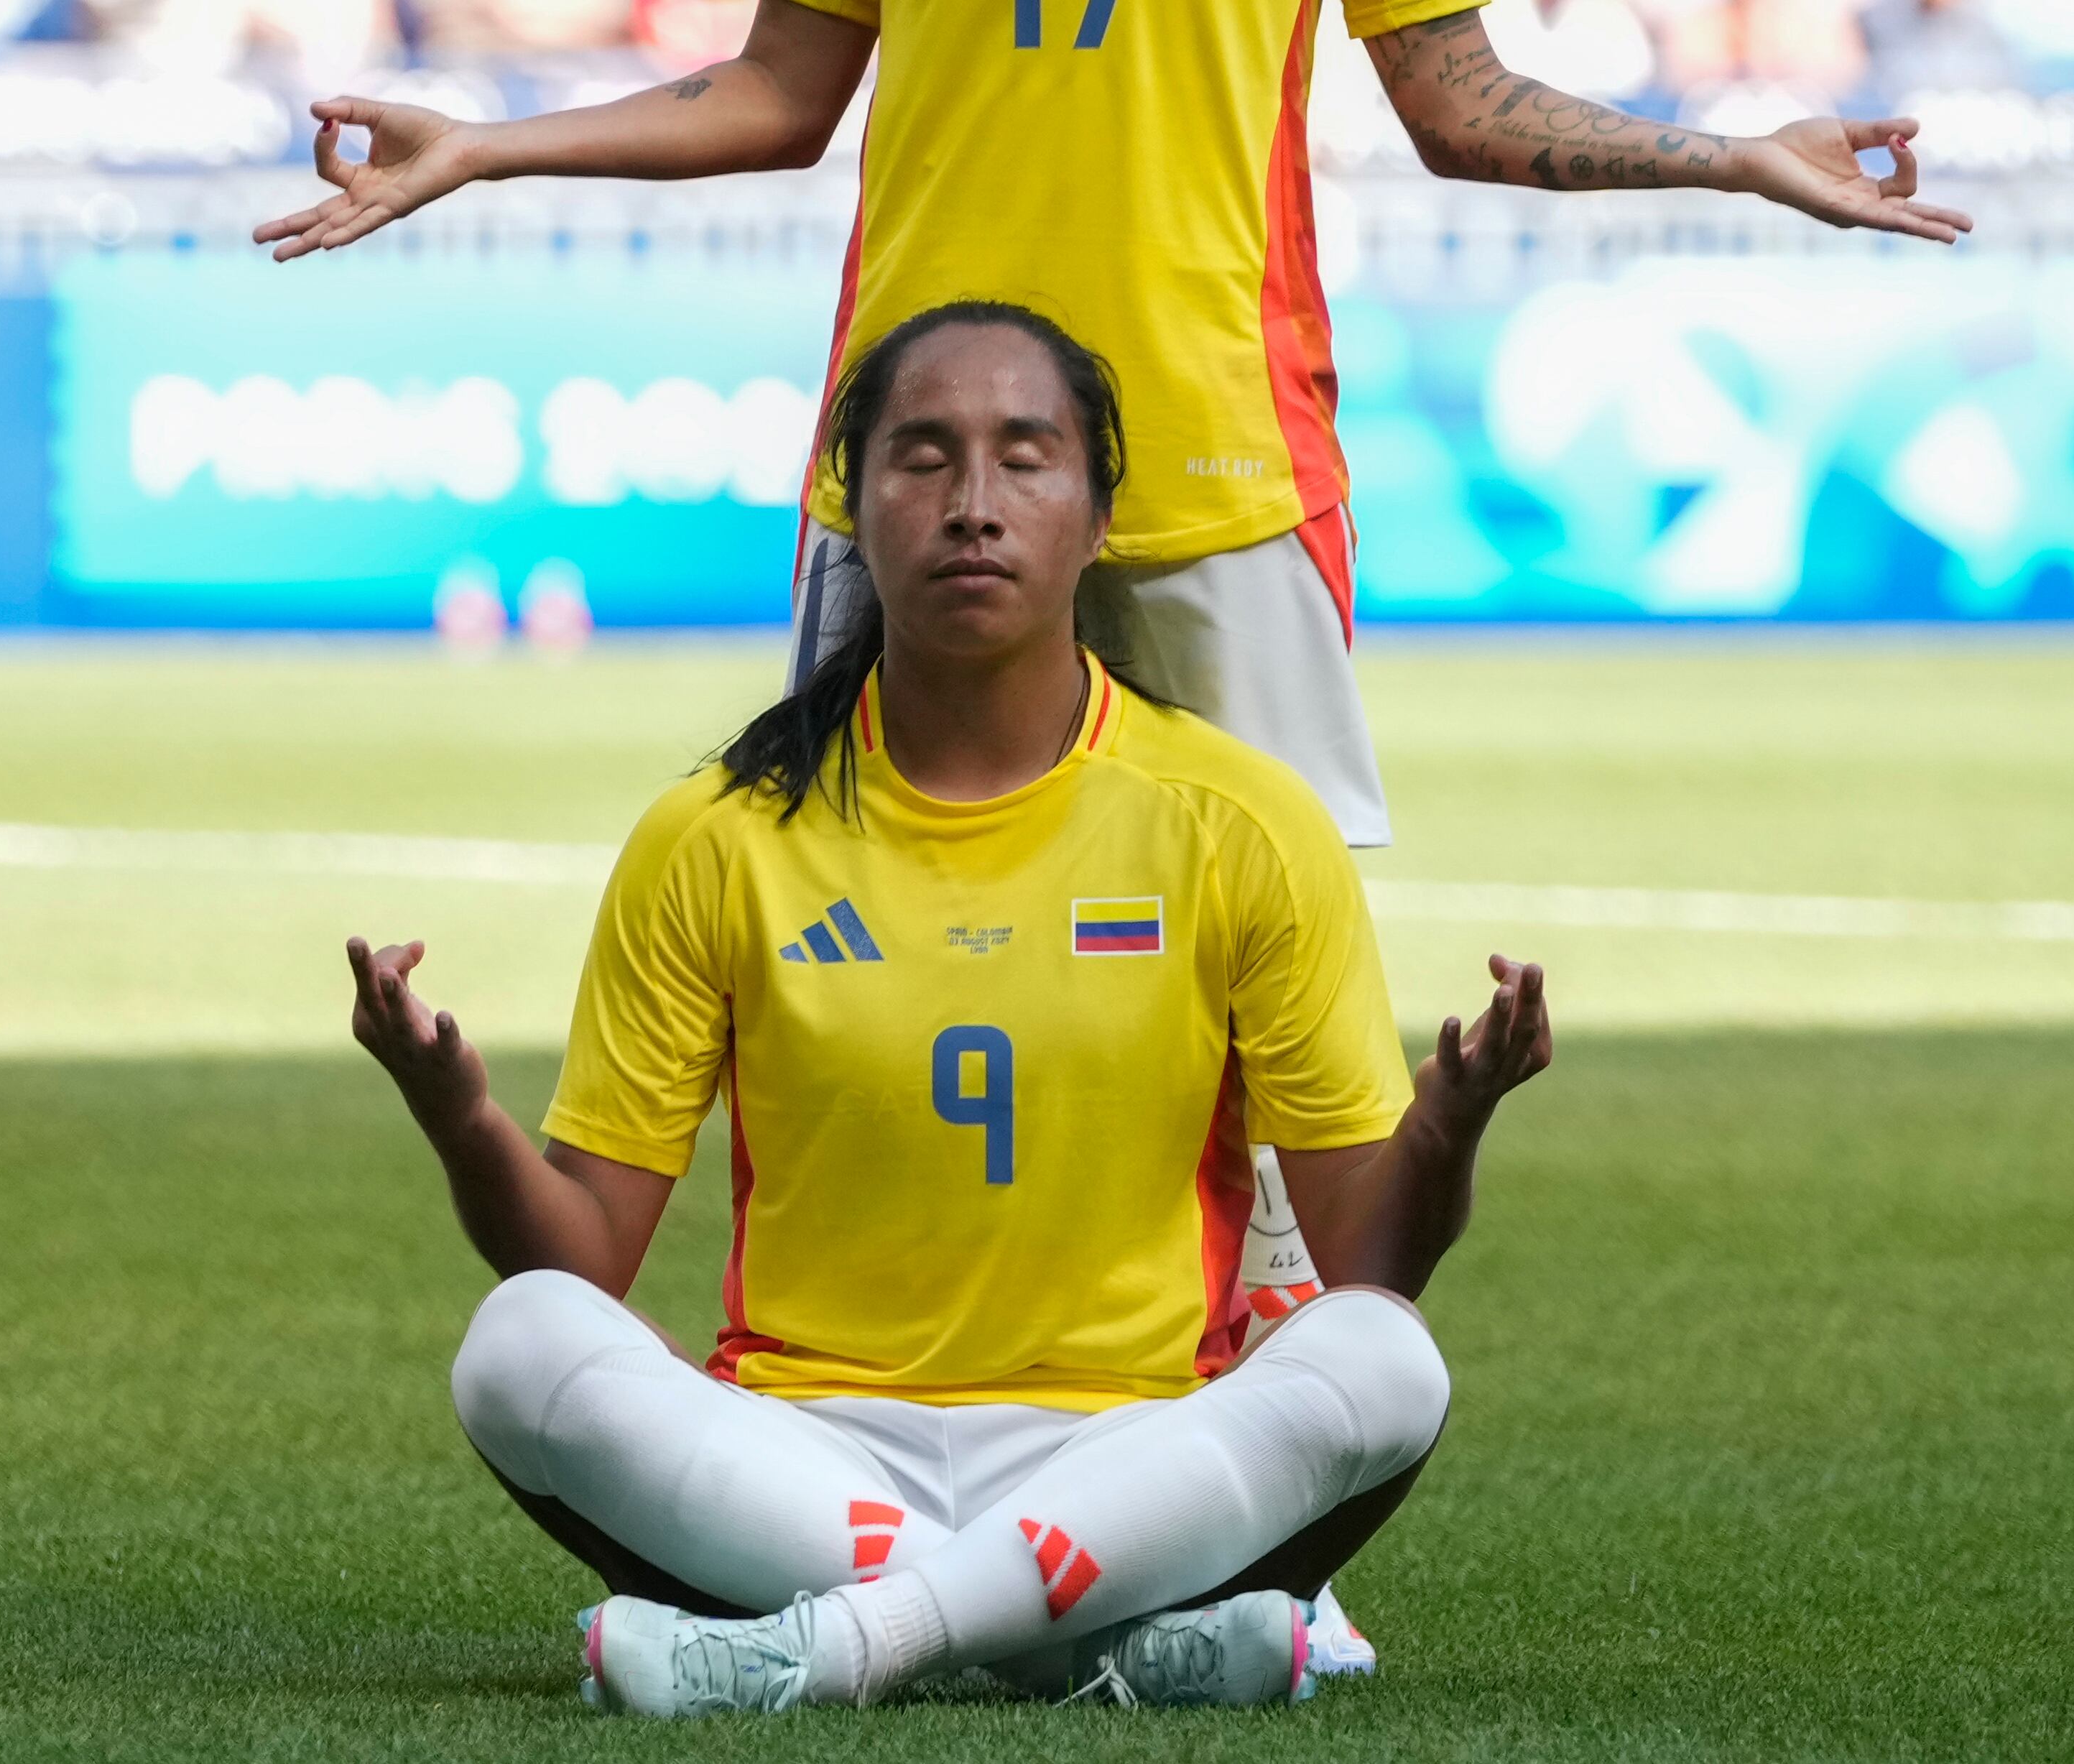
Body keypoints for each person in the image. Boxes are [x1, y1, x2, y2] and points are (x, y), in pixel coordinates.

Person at [262, 4, 1955, 1661]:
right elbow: (779, 90)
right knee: (832, 925)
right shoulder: (755, 749)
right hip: (909, 457)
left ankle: (919, 1600)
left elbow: (1457, 100)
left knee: (1294, 1135)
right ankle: (1113, 1591)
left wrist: (1737, 155)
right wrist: (486, 145)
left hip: (1224, 470)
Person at [343, 303, 1553, 1714]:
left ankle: (851, 1641)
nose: (972, 505)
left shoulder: (1239, 821)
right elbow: (581, 1258)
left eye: (1024, 458)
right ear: (851, 506)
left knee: (1384, 1362)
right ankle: (1079, 1643)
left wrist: (1450, 1127)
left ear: (1099, 512)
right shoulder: (718, 833)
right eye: (922, 459)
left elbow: (1364, 1259)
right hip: (801, 1465)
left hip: (1126, 1456)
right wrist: (459, 1117)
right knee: (521, 1341)